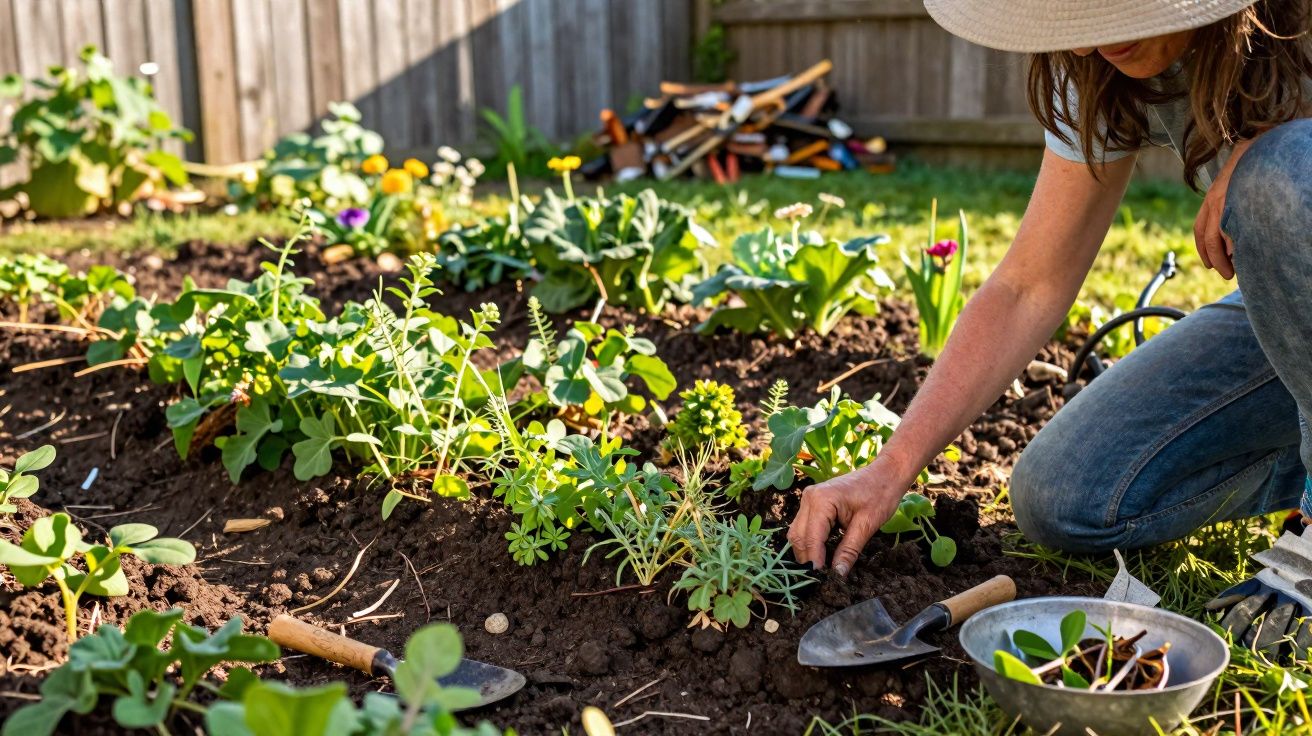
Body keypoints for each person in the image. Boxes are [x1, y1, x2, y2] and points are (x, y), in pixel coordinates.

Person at [787, 0, 1312, 575]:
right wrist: (888, 471)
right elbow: (1028, 285)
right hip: (1291, 313)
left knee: (1279, 175)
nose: (1088, 45)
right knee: (1065, 495)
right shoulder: (1096, 60)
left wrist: (1272, 147)